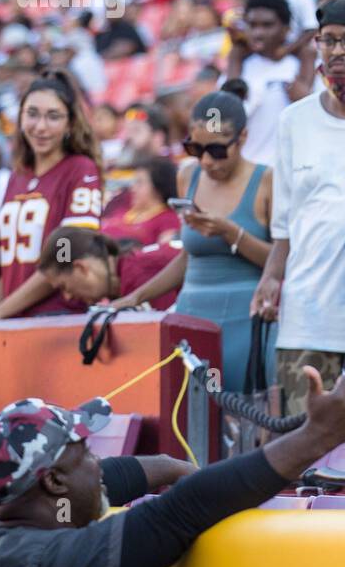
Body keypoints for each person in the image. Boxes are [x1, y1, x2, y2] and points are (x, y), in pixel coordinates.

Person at [0, 375, 345, 567]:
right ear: (54, 481)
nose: (97, 461)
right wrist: (318, 437)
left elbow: (107, 479)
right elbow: (179, 513)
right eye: (85, 453)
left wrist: (166, 466)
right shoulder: (53, 566)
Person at [252, 0, 345, 416]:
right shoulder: (293, 120)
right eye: (326, 40)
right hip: (304, 317)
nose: (335, 51)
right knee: (298, 450)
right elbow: (284, 224)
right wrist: (270, 278)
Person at [115, 92, 272, 393]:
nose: (206, 160)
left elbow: (278, 262)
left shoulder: (266, 180)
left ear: (243, 137)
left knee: (243, 418)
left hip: (245, 317)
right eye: (195, 148)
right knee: (188, 414)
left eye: (216, 149)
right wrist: (135, 298)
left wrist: (230, 232)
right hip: (192, 314)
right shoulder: (189, 175)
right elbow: (188, 258)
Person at [0, 70, 105, 345]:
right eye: (32, 114)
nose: (40, 127)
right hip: (15, 321)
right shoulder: (17, 177)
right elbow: (12, 263)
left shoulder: (80, 171)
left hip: (58, 320)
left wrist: (2, 310)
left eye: (53, 116)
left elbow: (64, 259)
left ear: (70, 124)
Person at [225, 0, 314, 168]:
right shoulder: (238, 68)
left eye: (267, 25)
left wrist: (305, 99)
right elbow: (221, 122)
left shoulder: (300, 68)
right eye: (252, 25)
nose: (258, 33)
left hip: (289, 174)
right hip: (246, 174)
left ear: (286, 29)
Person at [38, 226, 181, 310]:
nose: (67, 297)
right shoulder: (128, 269)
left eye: (64, 287)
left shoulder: (136, 275)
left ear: (80, 268)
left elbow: (168, 343)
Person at [100, 158, 180, 247]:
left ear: (158, 187)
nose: (133, 188)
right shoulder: (124, 204)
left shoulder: (168, 219)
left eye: (140, 183)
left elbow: (164, 253)